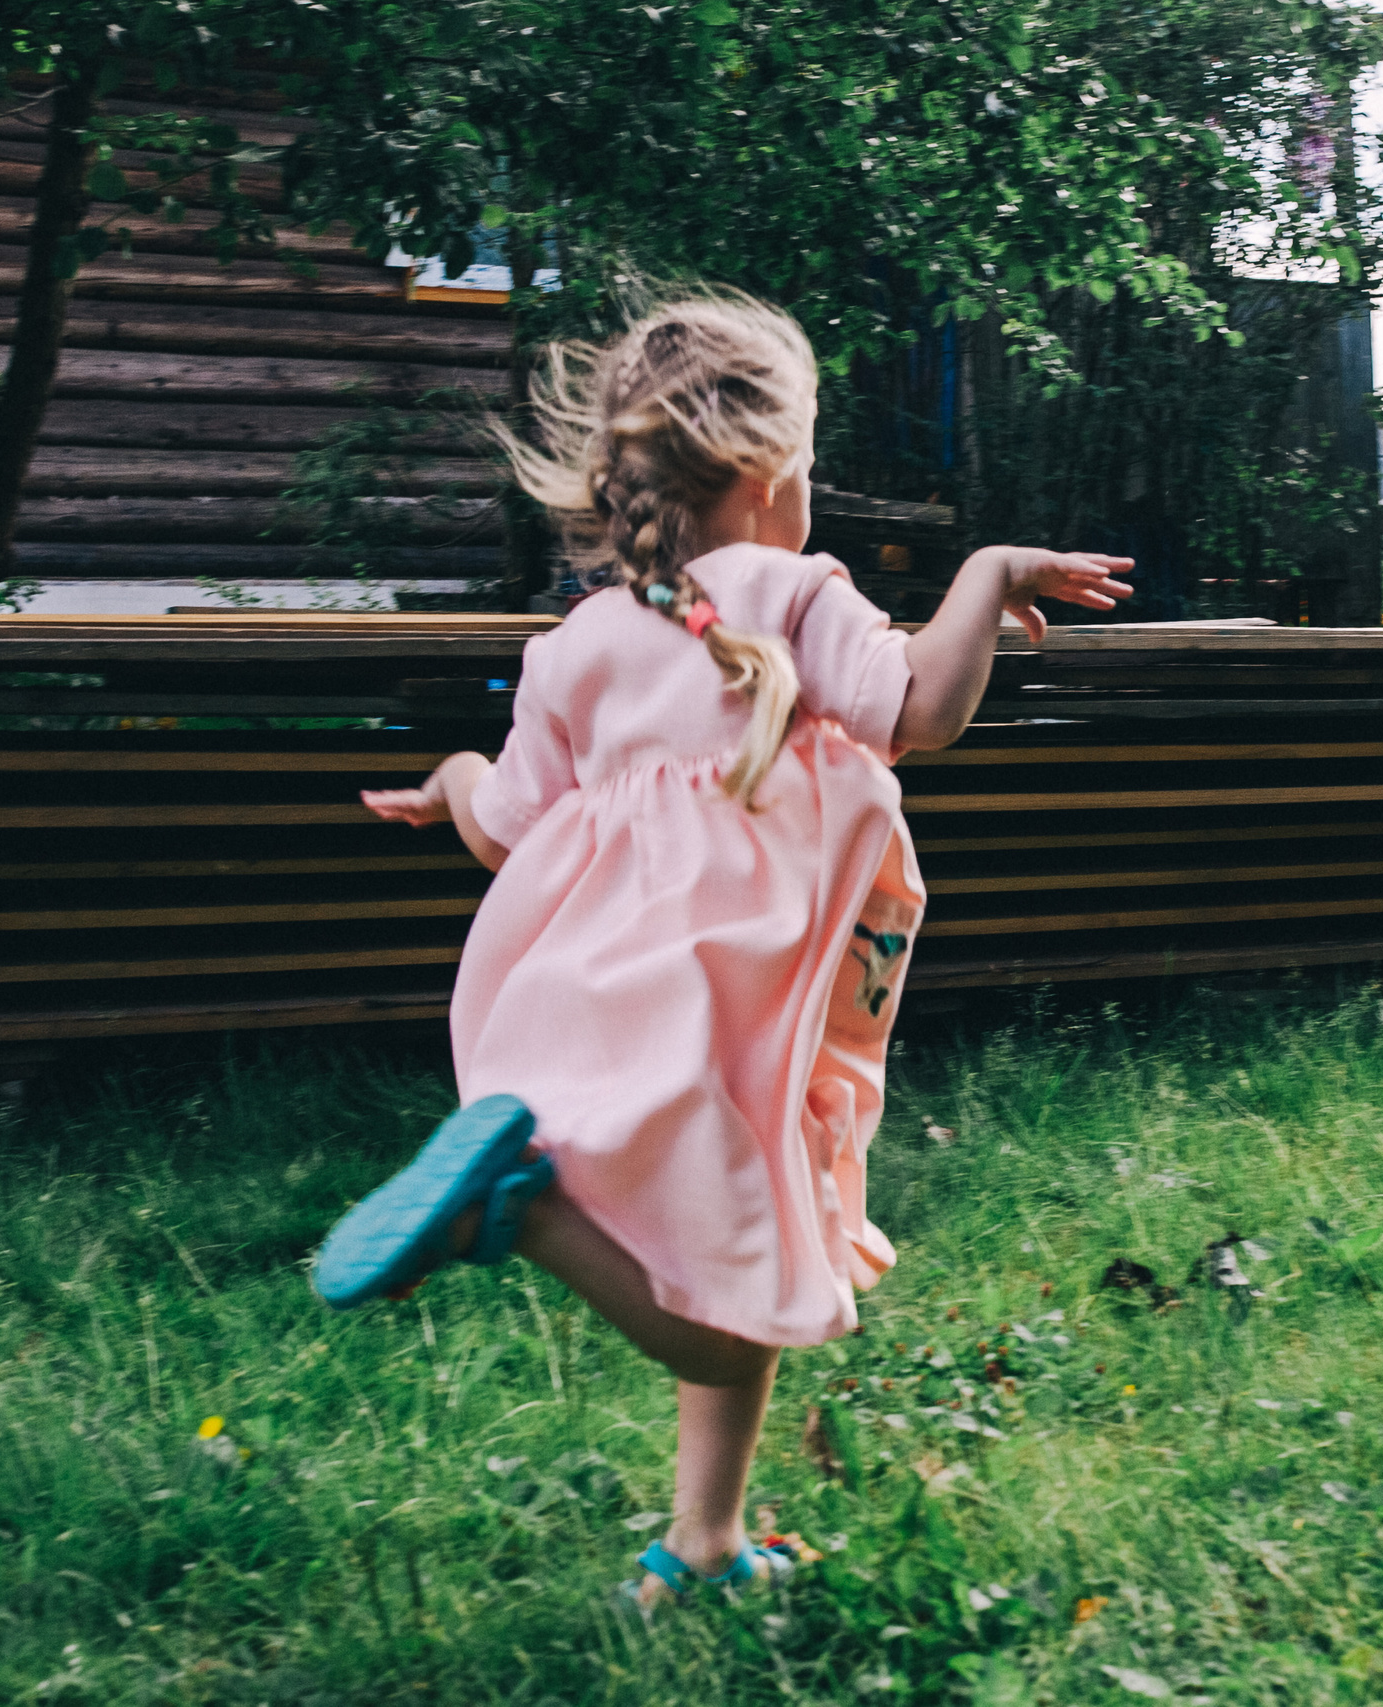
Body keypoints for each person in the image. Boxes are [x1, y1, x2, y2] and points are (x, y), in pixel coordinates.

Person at [315, 288, 1131, 1607]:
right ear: (767, 474)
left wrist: (456, 773)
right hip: (734, 1015)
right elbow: (921, 710)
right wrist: (983, 576)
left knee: (732, 1254)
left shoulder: (577, 641)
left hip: (605, 1001)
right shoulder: (797, 592)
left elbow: (510, 829)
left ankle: (703, 1543)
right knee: (735, 1301)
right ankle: (511, 1212)